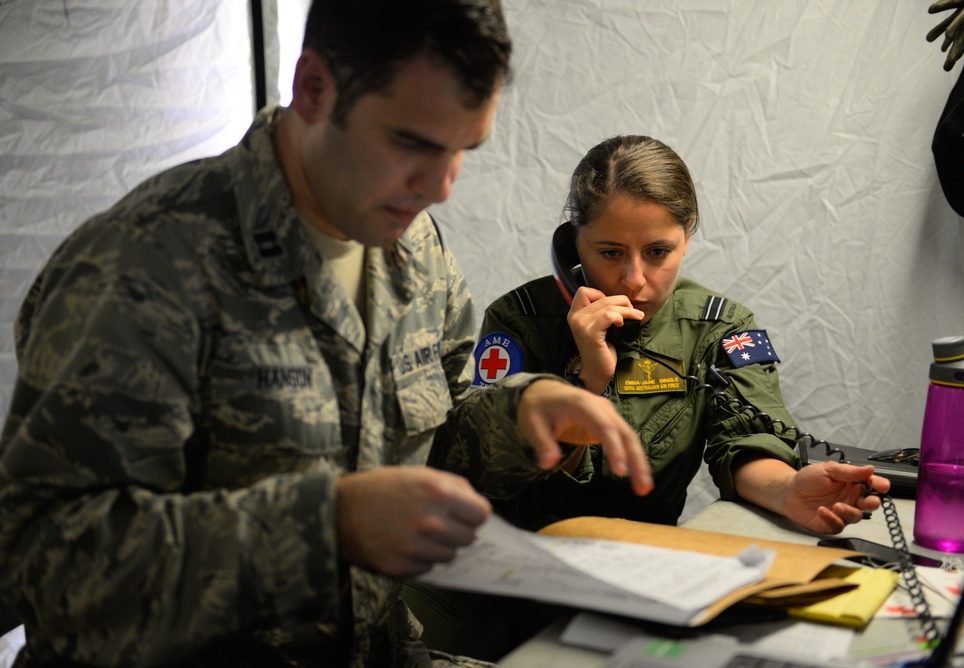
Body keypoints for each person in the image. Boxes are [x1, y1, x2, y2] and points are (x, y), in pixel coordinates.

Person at [0, 3, 652, 667]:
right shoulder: (145, 266)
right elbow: (45, 566)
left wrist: (525, 412)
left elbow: (442, 433)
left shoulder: (411, 247)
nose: (442, 186)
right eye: (413, 143)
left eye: (463, 150)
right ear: (313, 89)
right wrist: (321, 526)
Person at [405, 134, 890, 660]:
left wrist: (789, 489)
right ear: (572, 245)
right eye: (609, 253)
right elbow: (488, 473)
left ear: (688, 238)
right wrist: (587, 377)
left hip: (635, 577)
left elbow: (743, 442)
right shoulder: (518, 319)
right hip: (500, 577)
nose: (635, 279)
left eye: (659, 252)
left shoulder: (718, 326)